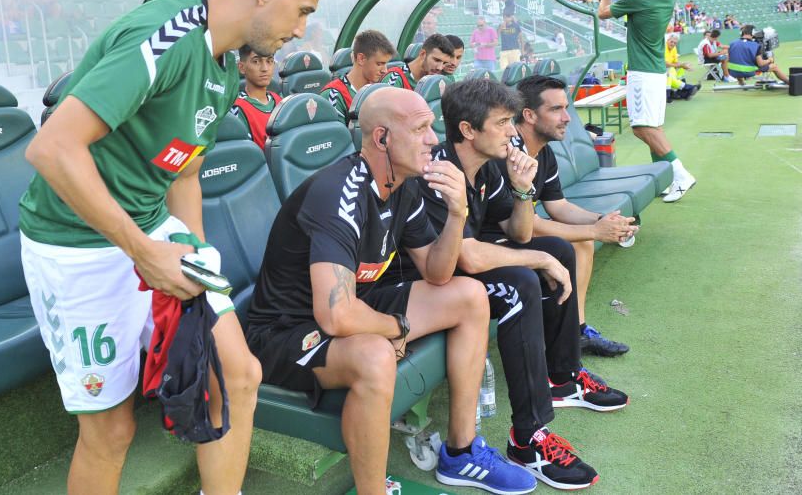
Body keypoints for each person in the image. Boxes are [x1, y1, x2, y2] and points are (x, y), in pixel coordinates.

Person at [18, 0, 331, 495]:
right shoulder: (165, 38)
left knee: (239, 374)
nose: (301, 30)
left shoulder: (227, 64)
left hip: (156, 227)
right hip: (77, 244)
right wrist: (143, 252)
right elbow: (51, 148)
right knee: (111, 432)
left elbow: (183, 168)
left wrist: (195, 250)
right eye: (302, 11)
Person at [246, 87, 536, 495]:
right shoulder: (338, 195)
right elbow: (336, 316)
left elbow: (437, 273)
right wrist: (394, 327)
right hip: (286, 331)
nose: (434, 138)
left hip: (352, 305)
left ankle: (461, 451)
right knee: (375, 354)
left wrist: (457, 215)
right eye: (420, 129)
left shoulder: (405, 185)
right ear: (382, 138)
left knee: (469, 296)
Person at [391, 78, 627, 490]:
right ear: (468, 130)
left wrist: (522, 191)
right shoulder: (437, 173)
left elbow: (518, 233)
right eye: (502, 122)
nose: (513, 131)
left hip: (460, 267)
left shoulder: (491, 167)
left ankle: (563, 377)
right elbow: (467, 256)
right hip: (421, 285)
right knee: (522, 281)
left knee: (559, 250)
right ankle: (528, 437)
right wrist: (539, 257)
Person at [504, 75, 637, 357]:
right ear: (528, 115)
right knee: (578, 242)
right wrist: (595, 231)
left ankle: (577, 330)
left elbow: (559, 206)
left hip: (521, 233)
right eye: (556, 110)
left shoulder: (544, 151)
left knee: (582, 242)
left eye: (566, 108)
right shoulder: (509, 153)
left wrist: (603, 220)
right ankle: (563, 336)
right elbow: (528, 227)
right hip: (496, 242)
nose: (567, 118)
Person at [599, 0, 696, 203]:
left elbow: (602, 13)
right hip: (655, 71)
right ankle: (666, 179)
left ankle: (680, 174)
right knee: (654, 127)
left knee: (642, 128)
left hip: (642, 72)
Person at [320, 29, 393, 123]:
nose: (385, 70)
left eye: (386, 64)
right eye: (379, 64)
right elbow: (336, 137)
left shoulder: (379, 91)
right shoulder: (334, 95)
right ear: (361, 59)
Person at [232, 46, 281, 150]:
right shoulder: (237, 108)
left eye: (269, 61)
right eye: (256, 61)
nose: (265, 68)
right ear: (241, 67)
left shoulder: (279, 100)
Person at [382, 33, 454, 90]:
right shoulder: (395, 78)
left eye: (444, 63)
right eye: (437, 60)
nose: (440, 68)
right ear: (422, 54)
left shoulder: (441, 79)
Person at [664, 33, 698, 101]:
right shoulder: (663, 48)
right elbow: (666, 64)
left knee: (680, 70)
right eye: (671, 42)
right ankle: (688, 88)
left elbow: (675, 62)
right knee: (669, 75)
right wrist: (681, 65)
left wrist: (684, 65)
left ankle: (680, 92)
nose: (673, 44)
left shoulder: (674, 48)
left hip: (669, 68)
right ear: (667, 40)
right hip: (662, 69)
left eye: (675, 43)